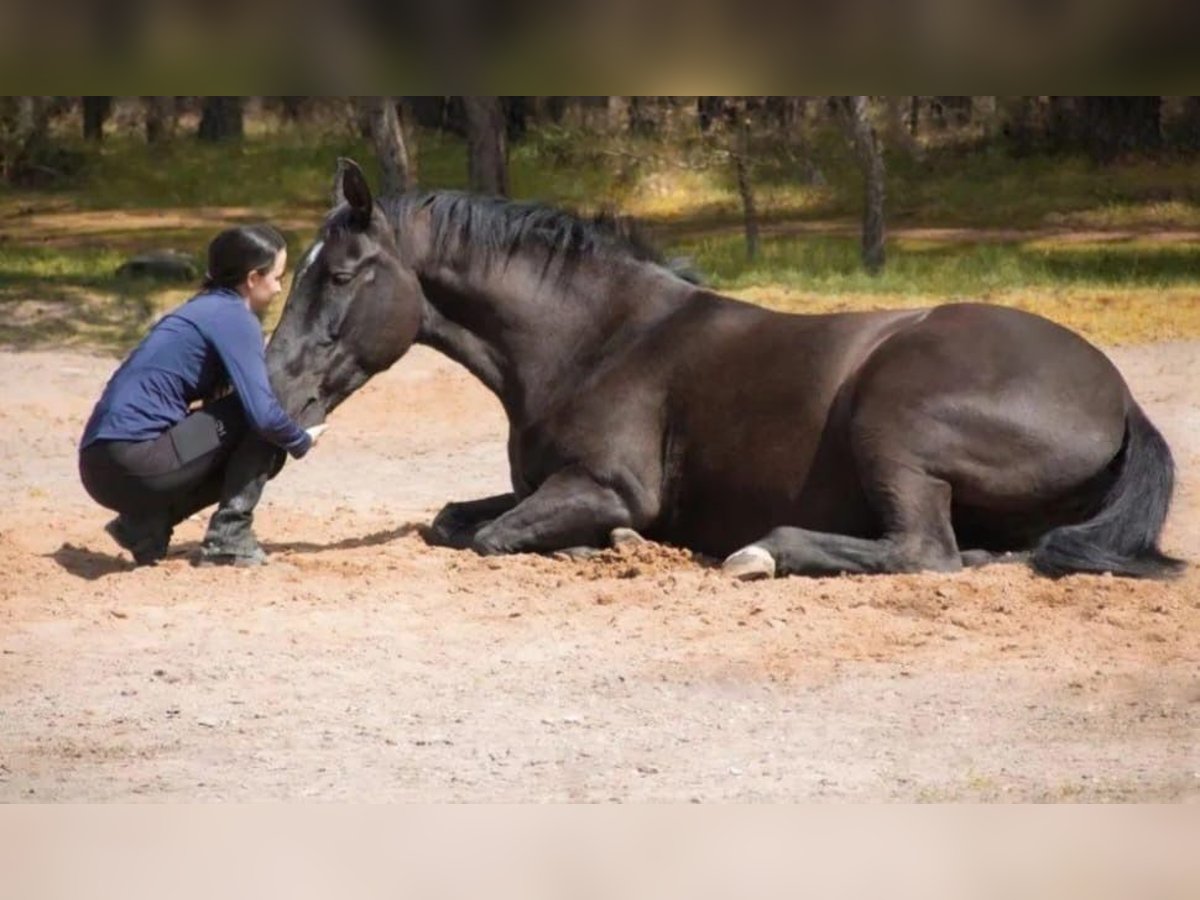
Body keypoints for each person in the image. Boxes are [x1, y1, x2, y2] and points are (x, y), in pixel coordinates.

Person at [79, 224, 326, 567]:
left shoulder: (202, 308)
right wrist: (301, 440)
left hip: (98, 465)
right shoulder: (235, 318)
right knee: (271, 419)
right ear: (253, 278)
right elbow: (264, 414)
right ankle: (230, 538)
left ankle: (145, 525)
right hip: (136, 464)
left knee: (253, 425)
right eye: (277, 277)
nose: (279, 287)